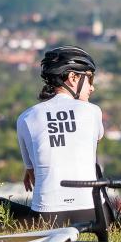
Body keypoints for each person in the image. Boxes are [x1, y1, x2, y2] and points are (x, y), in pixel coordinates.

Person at [8, 45, 104, 226]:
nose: (92, 88)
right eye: (89, 79)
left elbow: (33, 174)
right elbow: (93, 140)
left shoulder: (26, 117)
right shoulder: (93, 112)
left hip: (48, 216)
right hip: (92, 214)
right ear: (73, 77)